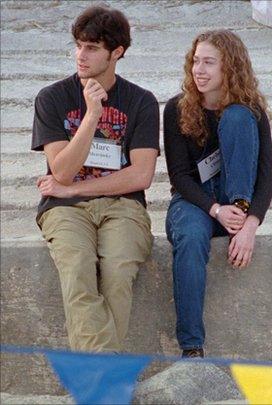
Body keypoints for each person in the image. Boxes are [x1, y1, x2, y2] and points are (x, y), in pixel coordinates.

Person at [31, 5, 159, 353]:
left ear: (116, 53)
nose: (80, 55)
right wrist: (92, 116)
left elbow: (142, 175)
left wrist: (74, 187)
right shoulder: (52, 98)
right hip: (64, 209)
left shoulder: (142, 102)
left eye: (91, 48)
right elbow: (61, 170)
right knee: (78, 271)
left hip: (124, 207)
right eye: (78, 45)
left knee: (118, 274)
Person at [164, 30, 272, 358]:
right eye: (196, 61)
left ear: (230, 67)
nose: (199, 69)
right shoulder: (175, 109)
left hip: (236, 204)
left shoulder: (251, 110)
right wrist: (214, 210)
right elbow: (179, 177)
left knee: (238, 115)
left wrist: (250, 223)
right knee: (189, 236)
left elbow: (267, 175)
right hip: (195, 201)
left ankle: (239, 210)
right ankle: (192, 348)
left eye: (209, 62)